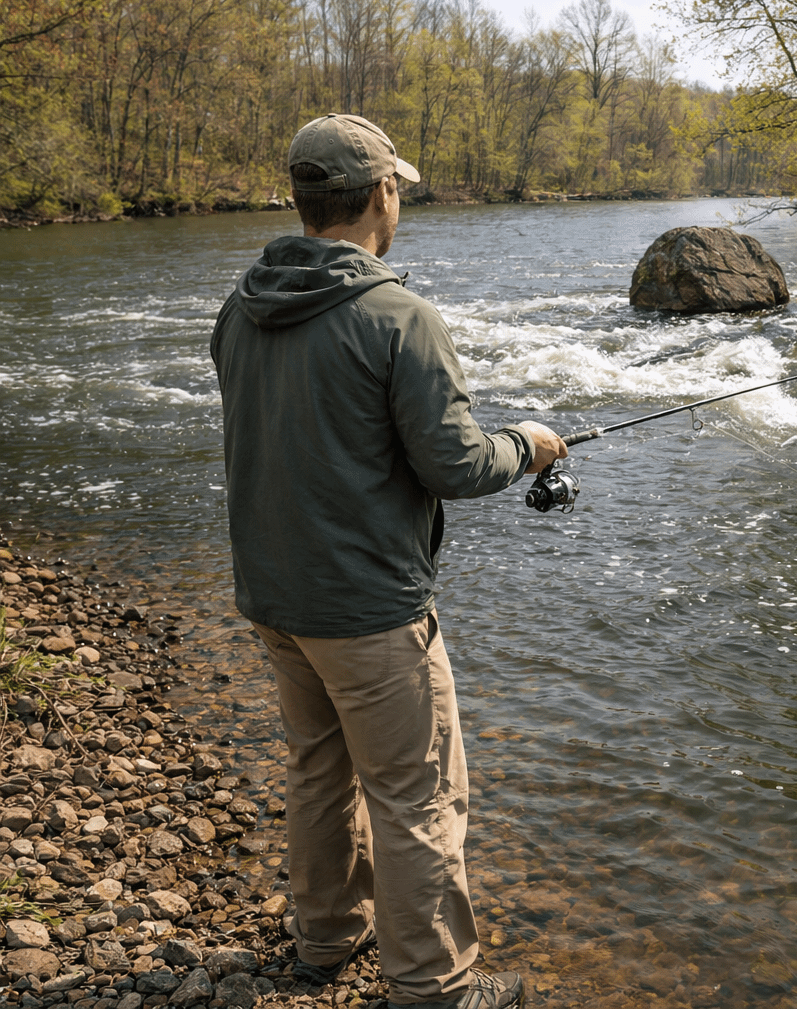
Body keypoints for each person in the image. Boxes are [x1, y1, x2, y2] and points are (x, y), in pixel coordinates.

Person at [209, 113, 565, 1009]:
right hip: (369, 611)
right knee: (417, 799)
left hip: (273, 595)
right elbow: (456, 466)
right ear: (380, 195)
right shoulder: (398, 316)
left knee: (318, 769)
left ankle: (326, 938)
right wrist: (530, 442)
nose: (398, 198)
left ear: (302, 201)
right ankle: (435, 987)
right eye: (397, 186)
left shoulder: (239, 309)